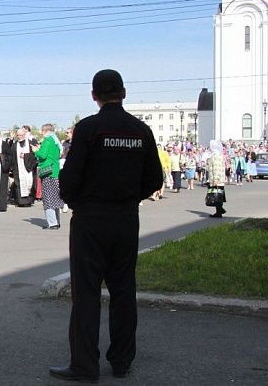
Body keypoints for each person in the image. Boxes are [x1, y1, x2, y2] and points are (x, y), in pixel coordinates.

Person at [51, 69, 163, 382]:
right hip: (125, 218)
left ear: (94, 96)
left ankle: (84, 365)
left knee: (86, 293)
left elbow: (69, 179)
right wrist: (129, 198)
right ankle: (122, 361)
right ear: (123, 93)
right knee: (123, 290)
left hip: (90, 220)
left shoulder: (88, 129)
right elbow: (155, 178)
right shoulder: (141, 130)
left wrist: (79, 202)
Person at [33, 123, 62, 229]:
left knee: (48, 198)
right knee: (55, 198)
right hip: (55, 171)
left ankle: (52, 223)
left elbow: (43, 155)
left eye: (42, 131)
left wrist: (36, 151)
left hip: (47, 172)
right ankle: (57, 221)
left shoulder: (47, 140)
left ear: (45, 131)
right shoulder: (56, 141)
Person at [10, 128, 36, 207]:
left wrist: (25, 156)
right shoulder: (15, 145)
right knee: (19, 184)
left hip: (28, 167)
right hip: (18, 168)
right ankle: (20, 202)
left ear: (24, 135)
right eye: (18, 135)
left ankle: (28, 201)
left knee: (29, 183)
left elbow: (35, 155)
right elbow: (12, 156)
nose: (19, 137)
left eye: (21, 135)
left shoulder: (30, 143)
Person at [207, 140, 228, 217]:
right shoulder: (218, 155)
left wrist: (215, 179)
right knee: (218, 195)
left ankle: (219, 212)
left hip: (217, 179)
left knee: (216, 196)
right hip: (219, 179)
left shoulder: (215, 156)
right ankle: (219, 210)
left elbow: (216, 168)